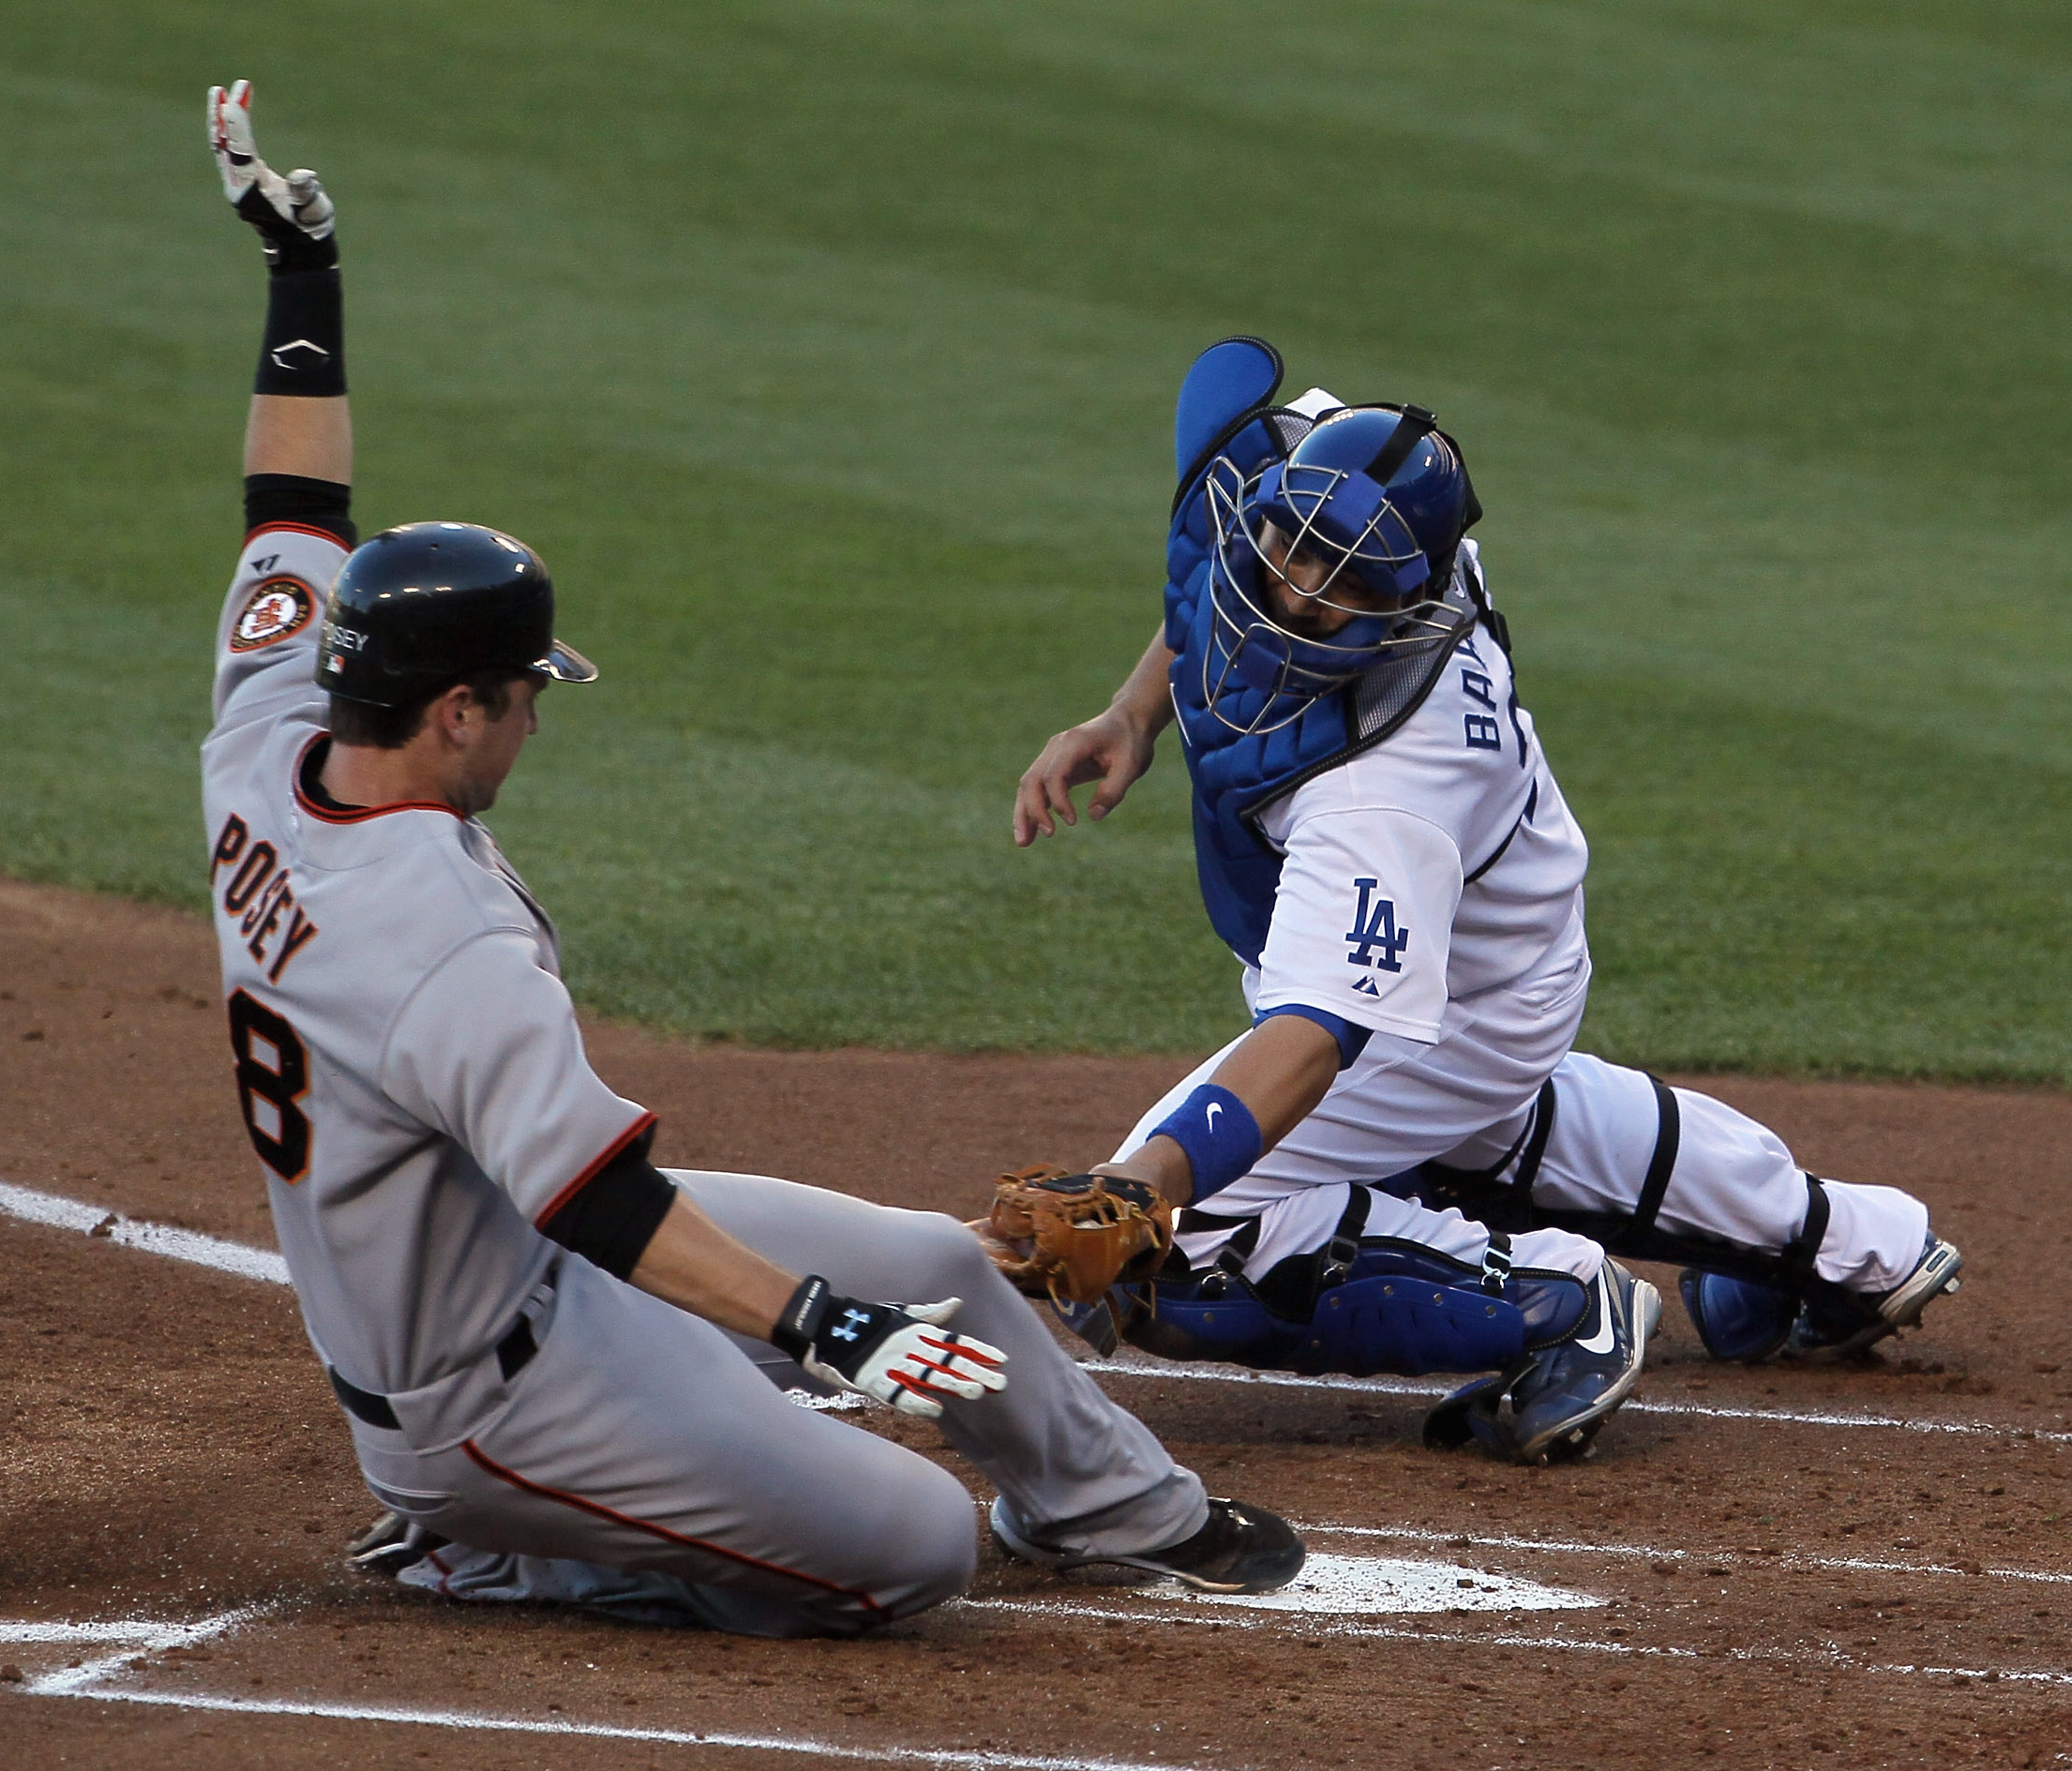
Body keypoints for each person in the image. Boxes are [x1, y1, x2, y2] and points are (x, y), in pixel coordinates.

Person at [197, 83, 1300, 1635]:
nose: (533, 720)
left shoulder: (268, 734)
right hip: (481, 1396)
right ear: (454, 708)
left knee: (940, 1263)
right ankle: (480, 1543)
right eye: (522, 696)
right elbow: (603, 1200)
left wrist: (299, 275)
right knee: (910, 1543)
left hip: (520, 1266)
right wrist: (823, 1327)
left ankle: (1122, 1509)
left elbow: (293, 505)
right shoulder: (437, 938)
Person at [1004, 338, 1963, 1463]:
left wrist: (1142, 1186)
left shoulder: (1387, 789)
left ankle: (1564, 1301)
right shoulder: (1327, 489)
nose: (1301, 594)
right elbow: (1233, 584)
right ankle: (1851, 1244)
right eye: (1291, 549)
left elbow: (1317, 1039)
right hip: (1501, 917)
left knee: (1186, 1242)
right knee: (1482, 1136)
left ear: (1412, 597)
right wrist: (1130, 713)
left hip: (1465, 994)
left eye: (1347, 585)